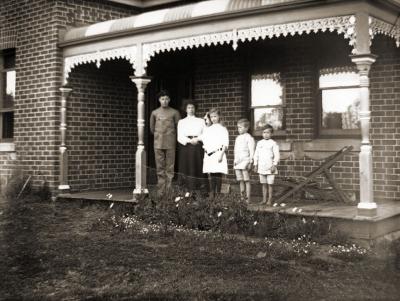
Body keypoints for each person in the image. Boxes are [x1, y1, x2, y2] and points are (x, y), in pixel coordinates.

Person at [149, 90, 181, 194]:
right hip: (158, 143)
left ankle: (169, 190)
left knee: (170, 167)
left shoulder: (175, 112)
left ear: (169, 100)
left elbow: (179, 128)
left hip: (170, 143)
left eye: (167, 99)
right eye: (162, 99)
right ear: (159, 100)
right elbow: (152, 129)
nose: (165, 101)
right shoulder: (155, 113)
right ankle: (161, 191)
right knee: (160, 167)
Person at [196, 108, 229, 199]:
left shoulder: (222, 129)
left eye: (215, 116)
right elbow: (202, 137)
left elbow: (225, 143)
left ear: (219, 117)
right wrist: (192, 139)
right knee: (211, 175)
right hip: (209, 155)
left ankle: (218, 194)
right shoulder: (208, 129)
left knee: (217, 175)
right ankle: (212, 194)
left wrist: (221, 155)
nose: (213, 118)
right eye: (212, 117)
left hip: (218, 154)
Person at [177, 100, 206, 192]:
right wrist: (189, 141)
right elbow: (180, 137)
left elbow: (205, 134)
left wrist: (197, 139)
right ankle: (186, 191)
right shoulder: (181, 122)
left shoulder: (201, 121)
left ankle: (199, 191)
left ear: (195, 109)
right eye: (189, 107)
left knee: (198, 166)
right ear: (185, 109)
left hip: (198, 146)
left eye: (192, 107)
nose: (191, 109)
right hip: (186, 148)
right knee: (186, 167)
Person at [253, 124, 280, 205]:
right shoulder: (259, 143)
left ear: (271, 134)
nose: (265, 134)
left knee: (270, 184)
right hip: (261, 167)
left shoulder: (273, 143)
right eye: (264, 132)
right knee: (263, 184)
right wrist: (255, 164)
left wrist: (274, 165)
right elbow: (256, 154)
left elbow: (277, 155)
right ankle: (264, 199)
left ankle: (269, 200)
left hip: (270, 167)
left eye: (268, 132)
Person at [234, 119, 255, 203]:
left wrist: (250, 162)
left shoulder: (249, 138)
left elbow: (251, 151)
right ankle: (242, 198)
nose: (239, 129)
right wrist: (235, 160)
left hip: (245, 161)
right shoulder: (238, 138)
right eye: (238, 127)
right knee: (241, 180)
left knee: (247, 180)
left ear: (246, 128)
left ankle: (248, 198)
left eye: (240, 127)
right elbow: (235, 150)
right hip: (238, 162)